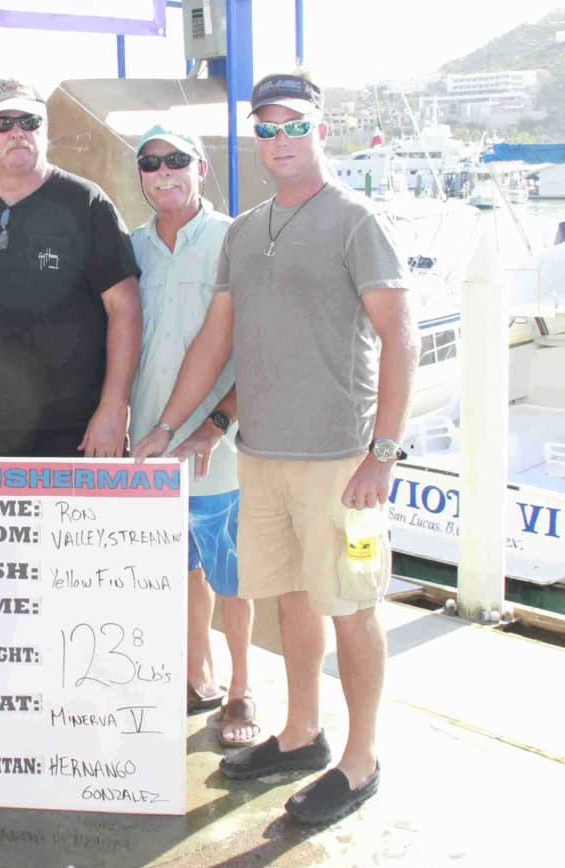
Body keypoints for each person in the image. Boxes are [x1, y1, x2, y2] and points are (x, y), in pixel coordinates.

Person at [134, 73, 418, 823]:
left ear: (322, 128)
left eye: (293, 125)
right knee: (289, 600)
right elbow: (213, 340)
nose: (279, 139)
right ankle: (301, 734)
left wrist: (381, 454)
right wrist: (168, 425)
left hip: (338, 461)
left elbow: (400, 338)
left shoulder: (356, 220)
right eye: (266, 128)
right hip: (259, 454)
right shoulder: (244, 229)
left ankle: (361, 762)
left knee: (351, 608)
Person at [0, 77, 141, 458]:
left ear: (46, 130)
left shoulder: (88, 204)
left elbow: (125, 309)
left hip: (79, 437)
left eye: (29, 121)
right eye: (1, 122)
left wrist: (113, 408)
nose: (16, 132)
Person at [128, 125, 258, 745]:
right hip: (148, 449)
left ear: (201, 167)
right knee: (178, 572)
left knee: (232, 575)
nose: (163, 173)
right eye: (149, 164)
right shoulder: (129, 248)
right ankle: (194, 673)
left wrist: (213, 427)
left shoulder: (236, 239)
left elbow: (260, 352)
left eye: (176, 160)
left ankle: (241, 689)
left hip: (220, 453)